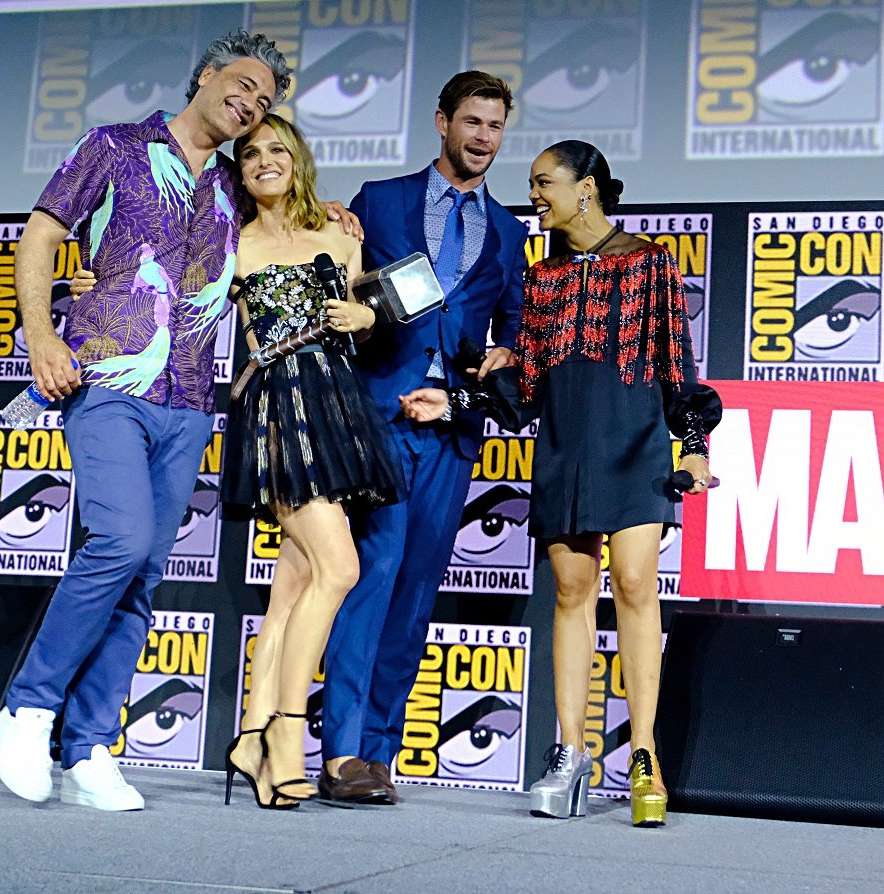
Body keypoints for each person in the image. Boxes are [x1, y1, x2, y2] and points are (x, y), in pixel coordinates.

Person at [0, 32, 292, 812]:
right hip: (110, 379)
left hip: (190, 401)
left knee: (143, 578)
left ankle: (89, 748)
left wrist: (337, 225)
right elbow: (41, 233)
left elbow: (279, 252)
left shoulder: (233, 187)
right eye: (243, 85)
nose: (251, 104)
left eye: (264, 101)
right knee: (118, 541)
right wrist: (44, 336)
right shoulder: (117, 145)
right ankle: (27, 708)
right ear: (205, 74)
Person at [402, 140, 718, 828]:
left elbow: (677, 370)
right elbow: (527, 393)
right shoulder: (542, 277)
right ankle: (570, 752)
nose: (534, 195)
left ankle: (643, 756)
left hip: (636, 449)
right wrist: (454, 403)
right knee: (572, 593)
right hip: (565, 452)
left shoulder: (651, 263)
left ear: (588, 188)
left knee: (635, 587)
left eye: (545, 183)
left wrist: (693, 447)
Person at [317, 71, 528, 805]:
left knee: (411, 596)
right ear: (442, 121)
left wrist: (495, 365)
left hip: (451, 431)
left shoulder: (509, 230)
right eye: (472, 122)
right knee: (371, 578)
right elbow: (334, 284)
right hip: (376, 417)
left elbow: (516, 334)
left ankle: (379, 753)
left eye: (495, 127)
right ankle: (340, 751)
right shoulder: (379, 200)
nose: (483, 139)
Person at [217, 113, 405, 809]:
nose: (264, 161)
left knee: (292, 587)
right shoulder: (230, 244)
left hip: (338, 410)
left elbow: (365, 313)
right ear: (238, 172)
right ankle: (287, 736)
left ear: (296, 160)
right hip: (279, 414)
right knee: (340, 568)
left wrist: (366, 316)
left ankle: (250, 736)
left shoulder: (338, 233)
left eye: (276, 150)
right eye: (250, 154)